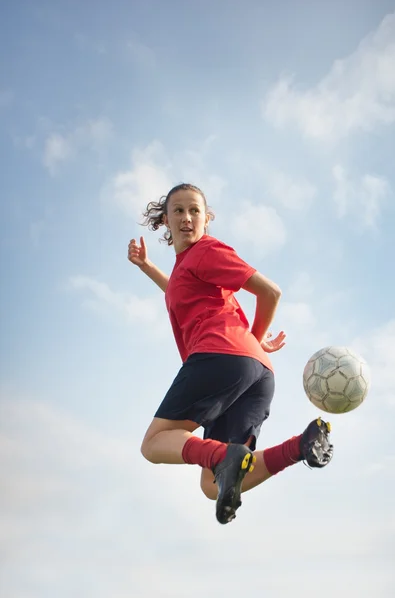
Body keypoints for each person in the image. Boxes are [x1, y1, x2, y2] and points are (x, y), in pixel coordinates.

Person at [128, 183, 333, 525]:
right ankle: (300, 446)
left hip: (222, 356)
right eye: (178, 210)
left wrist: (250, 339)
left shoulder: (205, 252)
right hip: (256, 373)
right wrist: (147, 267)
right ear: (165, 220)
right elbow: (177, 291)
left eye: (195, 210)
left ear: (207, 219)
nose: (187, 217)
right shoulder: (187, 270)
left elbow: (270, 292)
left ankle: (226, 455)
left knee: (154, 444)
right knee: (212, 484)